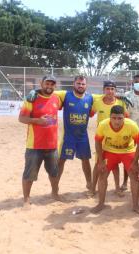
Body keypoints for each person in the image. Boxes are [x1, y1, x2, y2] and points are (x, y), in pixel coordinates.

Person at [18, 75, 61, 208]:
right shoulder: (32, 98)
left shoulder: (57, 98)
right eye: (46, 84)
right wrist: (37, 121)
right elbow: (21, 118)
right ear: (42, 84)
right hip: (34, 145)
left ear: (55, 86)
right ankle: (26, 200)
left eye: (52, 84)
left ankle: (55, 194)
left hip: (52, 145)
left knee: (54, 173)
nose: (49, 86)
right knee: (29, 174)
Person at [91, 105, 139, 213]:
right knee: (102, 174)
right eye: (114, 118)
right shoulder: (103, 125)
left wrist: (136, 161)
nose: (117, 121)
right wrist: (100, 161)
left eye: (120, 118)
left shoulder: (132, 125)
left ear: (124, 117)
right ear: (110, 117)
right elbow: (98, 142)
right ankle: (100, 204)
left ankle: (136, 205)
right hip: (110, 151)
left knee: (134, 176)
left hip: (127, 151)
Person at [56, 75, 94, 194]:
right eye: (78, 83)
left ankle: (89, 185)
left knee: (85, 160)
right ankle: (55, 187)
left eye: (83, 84)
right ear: (74, 84)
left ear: (86, 85)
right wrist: (36, 92)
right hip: (68, 136)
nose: (80, 86)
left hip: (83, 136)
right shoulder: (65, 95)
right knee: (61, 160)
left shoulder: (90, 98)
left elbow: (106, 97)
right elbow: (49, 92)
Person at [91, 80, 128, 196]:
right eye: (107, 89)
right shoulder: (97, 102)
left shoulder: (121, 102)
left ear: (115, 91)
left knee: (115, 165)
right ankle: (92, 189)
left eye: (112, 89)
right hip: (102, 138)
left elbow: (126, 117)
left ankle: (117, 188)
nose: (110, 91)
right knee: (98, 163)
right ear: (103, 90)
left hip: (116, 138)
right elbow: (90, 113)